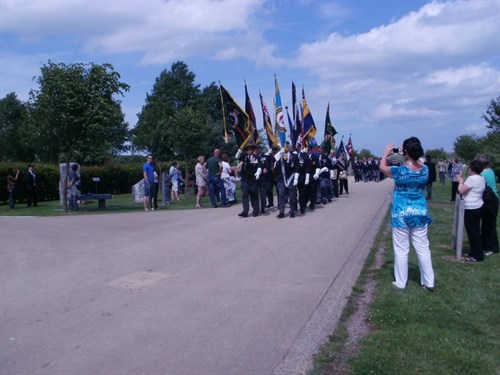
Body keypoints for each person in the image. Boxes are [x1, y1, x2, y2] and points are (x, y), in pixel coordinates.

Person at [379, 137, 435, 291]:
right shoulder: (425, 170)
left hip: (401, 213)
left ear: (405, 151)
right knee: (423, 248)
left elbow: (382, 167)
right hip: (419, 212)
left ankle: (401, 281)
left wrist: (386, 154)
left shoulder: (400, 171)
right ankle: (429, 282)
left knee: (401, 249)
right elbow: (419, 165)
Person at [457, 160, 485, 262]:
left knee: (473, 232)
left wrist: (460, 182)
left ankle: (477, 255)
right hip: (478, 205)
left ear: (472, 169)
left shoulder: (472, 179)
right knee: (475, 230)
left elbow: (461, 190)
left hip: (471, 207)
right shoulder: (481, 178)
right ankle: (474, 251)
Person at [476, 154, 499, 256]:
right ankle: (485, 245)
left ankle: (493, 247)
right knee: (486, 224)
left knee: (490, 224)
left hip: (490, 200)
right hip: (491, 200)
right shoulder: (490, 171)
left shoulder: (483, 174)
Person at [237, 144, 262, 217]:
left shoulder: (256, 157)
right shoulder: (244, 157)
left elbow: (260, 166)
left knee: (254, 195)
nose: (249, 150)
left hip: (253, 180)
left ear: (253, 150)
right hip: (245, 179)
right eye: (248, 149)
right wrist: (239, 151)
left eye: (250, 149)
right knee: (245, 195)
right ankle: (245, 211)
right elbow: (237, 157)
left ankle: (256, 211)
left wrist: (258, 173)